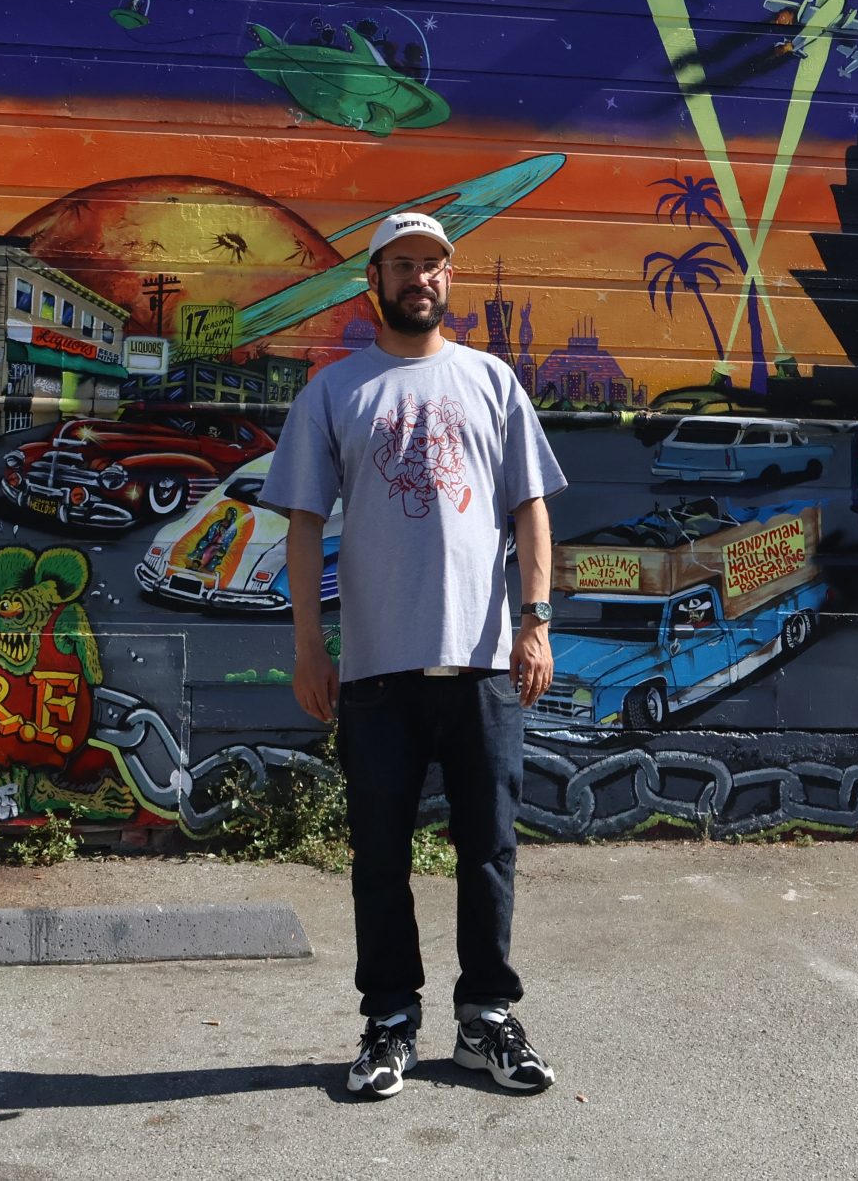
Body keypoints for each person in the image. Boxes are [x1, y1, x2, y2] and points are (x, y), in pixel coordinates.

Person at [262, 210, 565, 1103]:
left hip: (480, 664)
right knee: (379, 853)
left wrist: (536, 621)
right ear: (375, 281)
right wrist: (309, 647)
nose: (420, 278)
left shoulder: (493, 380)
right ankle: (390, 1019)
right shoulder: (334, 390)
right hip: (376, 671)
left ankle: (486, 1020)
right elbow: (305, 524)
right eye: (403, 265)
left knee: (489, 850)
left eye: (434, 264)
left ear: (450, 278)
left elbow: (530, 507)